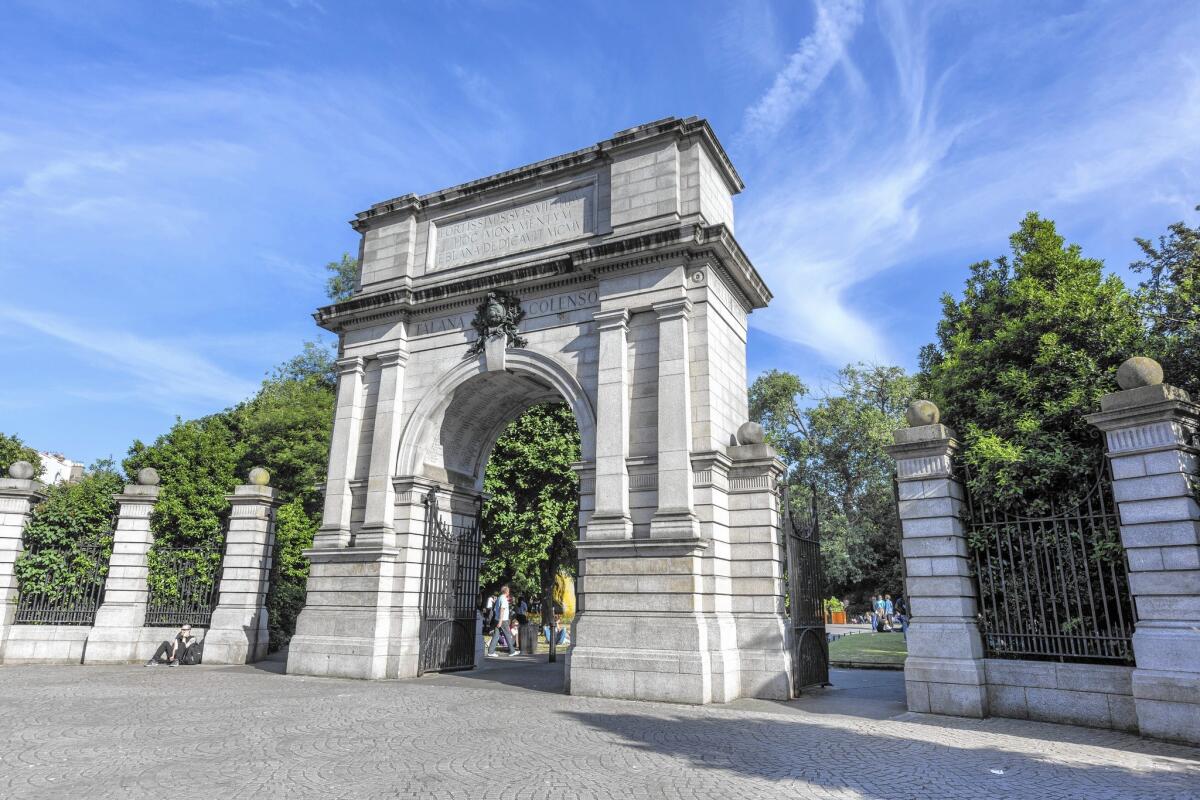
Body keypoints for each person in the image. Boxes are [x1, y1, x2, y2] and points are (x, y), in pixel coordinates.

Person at [486, 584, 520, 657]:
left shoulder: (499, 597)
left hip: (497, 619)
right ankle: (512, 651)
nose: (509, 592)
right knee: (508, 634)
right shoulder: (504, 599)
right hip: (503, 620)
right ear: (507, 591)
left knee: (496, 635)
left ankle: (491, 652)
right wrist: (501, 621)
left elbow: (496, 609)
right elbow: (502, 609)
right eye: (508, 591)